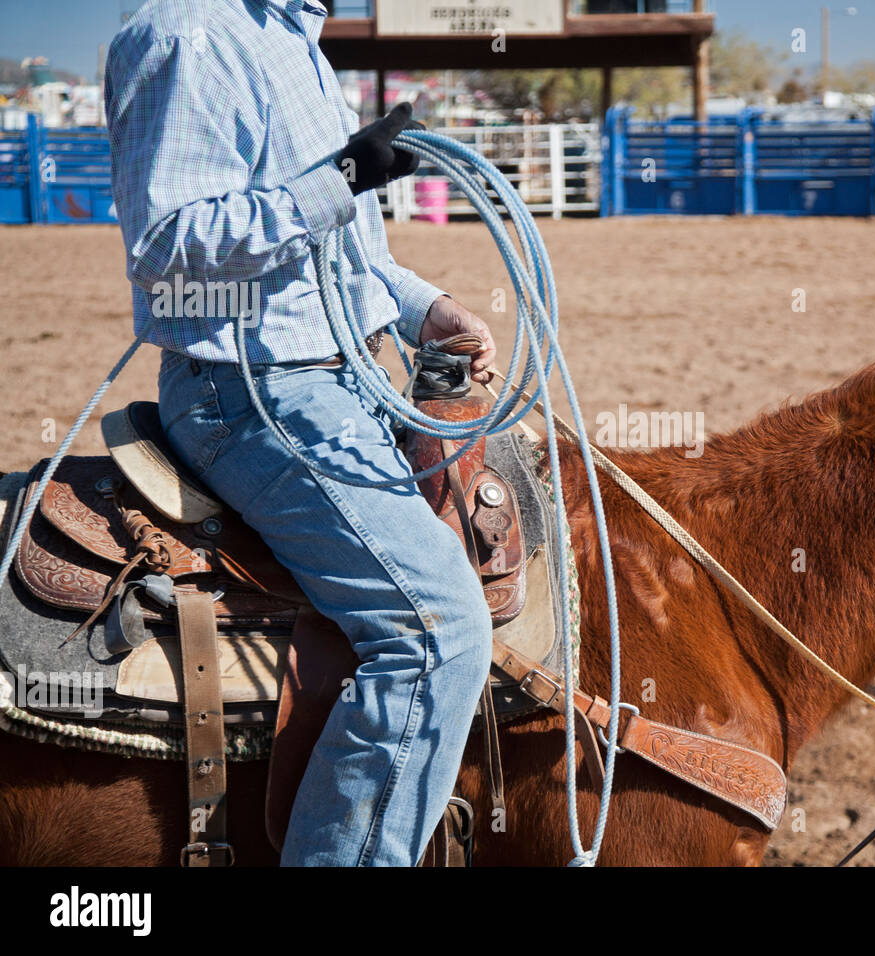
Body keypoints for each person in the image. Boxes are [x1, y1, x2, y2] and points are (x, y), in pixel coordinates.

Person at [105, 0, 496, 866]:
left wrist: (424, 308)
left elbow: (341, 256)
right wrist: (340, 179)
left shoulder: (291, 39)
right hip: (254, 390)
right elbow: (166, 245)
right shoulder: (187, 33)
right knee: (440, 632)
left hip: (333, 373)